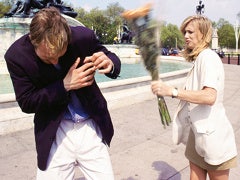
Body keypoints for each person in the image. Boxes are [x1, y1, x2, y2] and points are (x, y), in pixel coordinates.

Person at [5, 7, 121, 179]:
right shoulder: (16, 57)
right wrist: (64, 86)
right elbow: (26, 102)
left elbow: (110, 56)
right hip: (54, 131)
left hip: (91, 126)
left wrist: (109, 63)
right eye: (47, 58)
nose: (55, 61)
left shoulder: (83, 37)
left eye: (60, 54)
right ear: (32, 40)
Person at [151, 15, 237, 180]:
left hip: (213, 139)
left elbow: (209, 96)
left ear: (203, 35)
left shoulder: (208, 57)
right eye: (185, 32)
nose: (186, 36)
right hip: (198, 134)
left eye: (190, 32)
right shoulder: (201, 59)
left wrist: (173, 91)